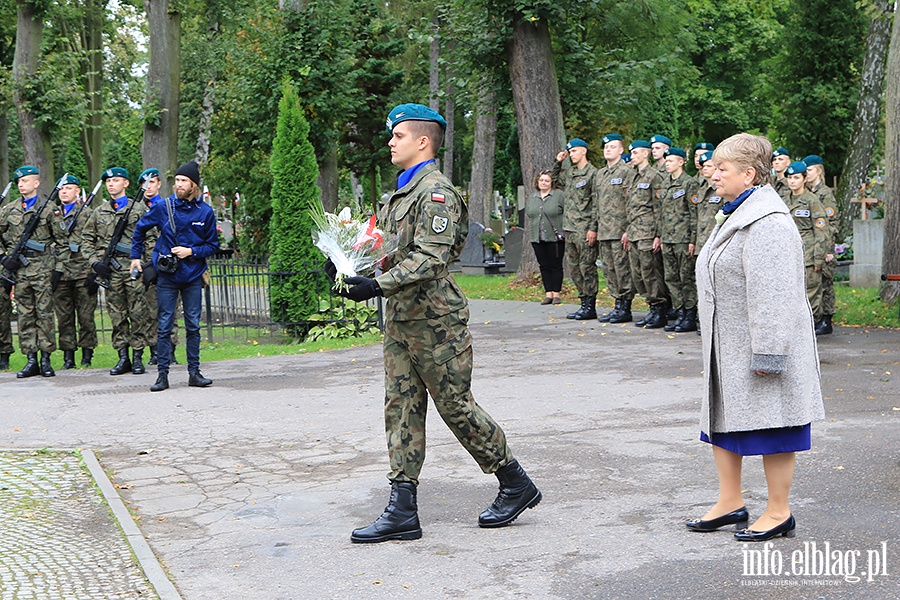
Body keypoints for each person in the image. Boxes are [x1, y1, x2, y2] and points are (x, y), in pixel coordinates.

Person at [336, 103, 540, 543]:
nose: (391, 142)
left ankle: (515, 482)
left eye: (399, 136)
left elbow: (430, 259)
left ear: (422, 141)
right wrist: (350, 270)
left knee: (455, 406)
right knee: (401, 406)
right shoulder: (401, 193)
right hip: (402, 320)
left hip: (436, 322)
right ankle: (402, 508)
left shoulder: (436, 194)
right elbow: (392, 252)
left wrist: (376, 285)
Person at [689, 132, 824, 542]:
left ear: (748, 174)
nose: (712, 174)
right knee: (724, 424)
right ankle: (730, 502)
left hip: (760, 345)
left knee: (774, 426)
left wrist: (769, 354)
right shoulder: (735, 212)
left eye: (721, 168)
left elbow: (774, 295)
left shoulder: (769, 222)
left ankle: (779, 511)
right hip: (728, 343)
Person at [131, 161, 218, 392]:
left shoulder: (206, 212)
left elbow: (212, 245)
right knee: (164, 324)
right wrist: (135, 257)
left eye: (184, 181)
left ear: (193, 185)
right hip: (167, 276)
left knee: (193, 325)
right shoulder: (164, 207)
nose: (179, 185)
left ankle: (194, 372)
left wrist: (192, 251)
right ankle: (162, 375)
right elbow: (140, 229)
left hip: (192, 275)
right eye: (177, 180)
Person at [83, 167, 154, 376]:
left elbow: (151, 238)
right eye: (108, 181)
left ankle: (138, 356)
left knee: (138, 314)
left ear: (126, 184)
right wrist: (96, 263)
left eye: (115, 180)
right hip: (110, 272)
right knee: (117, 315)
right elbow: (86, 240)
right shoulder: (99, 212)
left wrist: (145, 263)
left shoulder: (139, 209)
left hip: (133, 269)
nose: (111, 184)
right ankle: (123, 357)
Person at [0, 166, 68, 378]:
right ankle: (31, 359)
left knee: (45, 314)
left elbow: (63, 243)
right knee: (25, 315)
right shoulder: (9, 210)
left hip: (43, 269)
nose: (22, 185)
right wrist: (3, 258)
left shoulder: (49, 209)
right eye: (19, 182)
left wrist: (58, 270)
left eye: (26, 181)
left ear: (36, 183)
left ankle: (46, 359)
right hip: (20, 272)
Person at [552, 138, 600, 320]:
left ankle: (590, 304)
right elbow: (554, 178)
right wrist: (558, 161)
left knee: (587, 267)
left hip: (585, 227)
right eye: (569, 152)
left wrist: (593, 228)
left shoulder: (592, 174)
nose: (571, 154)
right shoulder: (570, 173)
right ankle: (583, 302)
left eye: (574, 151)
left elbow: (596, 203)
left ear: (584, 151)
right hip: (570, 228)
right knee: (574, 269)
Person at [54, 175, 98, 368]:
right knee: (64, 318)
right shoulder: (52, 214)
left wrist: (94, 271)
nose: (64, 192)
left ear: (77, 191)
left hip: (83, 272)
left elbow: (96, 242)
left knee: (86, 317)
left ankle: (87, 356)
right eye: (62, 189)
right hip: (60, 272)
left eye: (69, 188)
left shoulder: (88, 214)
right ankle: (68, 357)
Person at [624, 140, 668, 328]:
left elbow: (659, 208)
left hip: (648, 232)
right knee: (638, 274)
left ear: (645, 154)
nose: (632, 156)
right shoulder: (633, 177)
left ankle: (659, 310)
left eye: (635, 153)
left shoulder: (654, 176)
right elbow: (630, 207)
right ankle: (650, 306)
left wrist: (658, 234)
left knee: (651, 272)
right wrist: (627, 230)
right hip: (634, 232)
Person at [137, 168, 179, 365]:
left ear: (159, 184)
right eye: (144, 184)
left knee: (170, 309)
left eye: (152, 182)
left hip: (168, 264)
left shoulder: (170, 206)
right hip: (145, 267)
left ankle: (170, 350)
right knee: (149, 310)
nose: (148, 187)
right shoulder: (135, 210)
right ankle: (155, 351)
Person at [594, 134, 635, 323]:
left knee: (622, 269)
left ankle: (625, 306)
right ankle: (616, 303)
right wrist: (594, 227)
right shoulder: (600, 174)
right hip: (604, 230)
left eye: (612, 146)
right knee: (609, 269)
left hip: (620, 230)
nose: (608, 149)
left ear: (621, 150)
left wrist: (629, 228)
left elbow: (632, 202)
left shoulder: (627, 172)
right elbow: (596, 203)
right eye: (605, 147)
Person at [657, 148, 699, 333]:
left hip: (683, 238)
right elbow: (661, 213)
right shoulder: (665, 183)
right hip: (668, 238)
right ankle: (679, 312)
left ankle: (690, 314)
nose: (667, 163)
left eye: (671, 160)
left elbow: (693, 213)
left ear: (681, 162)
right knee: (671, 278)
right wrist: (660, 236)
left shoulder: (689, 183)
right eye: (666, 161)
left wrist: (693, 238)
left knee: (686, 277)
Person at [784, 161, 829, 323]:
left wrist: (818, 258)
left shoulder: (812, 201)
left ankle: (810, 325)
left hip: (808, 255)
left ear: (804, 179)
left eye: (796, 177)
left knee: (810, 293)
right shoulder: (783, 200)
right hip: (788, 253)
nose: (792, 181)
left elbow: (821, 231)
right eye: (789, 178)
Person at [803, 155, 839, 335]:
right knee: (818, 284)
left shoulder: (825, 193)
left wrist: (828, 249)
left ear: (818, 170)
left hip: (824, 245)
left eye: (809, 170)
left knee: (826, 284)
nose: (806, 174)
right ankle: (819, 319)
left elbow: (830, 223)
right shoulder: (810, 193)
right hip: (814, 245)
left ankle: (827, 319)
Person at [524, 170, 565, 305]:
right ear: (537, 182)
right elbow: (530, 214)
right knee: (544, 265)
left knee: (556, 265)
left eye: (547, 180)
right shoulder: (532, 197)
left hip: (554, 237)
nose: (544, 183)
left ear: (551, 183)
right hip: (537, 237)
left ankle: (557, 293)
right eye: (541, 180)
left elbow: (565, 211)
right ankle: (548, 293)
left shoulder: (558, 195)